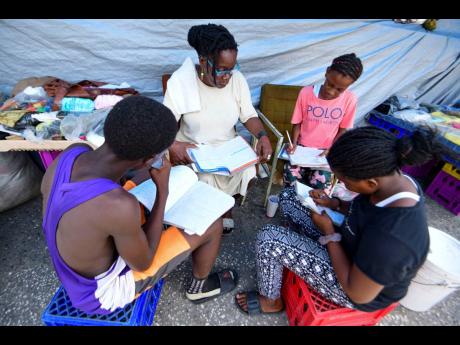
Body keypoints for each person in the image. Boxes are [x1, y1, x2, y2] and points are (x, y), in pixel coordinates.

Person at [41, 96, 238, 315]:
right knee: (212, 223)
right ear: (147, 158)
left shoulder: (73, 153)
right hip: (99, 294)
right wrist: (163, 191)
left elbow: (105, 197)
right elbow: (143, 263)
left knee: (143, 183)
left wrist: (149, 174)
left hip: (73, 267)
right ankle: (200, 288)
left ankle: (137, 226)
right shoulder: (120, 206)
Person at [235, 126, 450, 315]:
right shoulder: (393, 181)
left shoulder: (394, 239)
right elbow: (364, 209)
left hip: (355, 287)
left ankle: (271, 301)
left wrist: (330, 235)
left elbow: (357, 292)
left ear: (370, 182)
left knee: (269, 239)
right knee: (289, 196)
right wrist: (335, 204)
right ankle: (296, 249)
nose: (343, 184)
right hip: (351, 243)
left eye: (345, 181)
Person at [163, 23, 273, 234]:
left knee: (249, 170)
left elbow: (248, 115)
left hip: (227, 148)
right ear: (204, 61)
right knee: (203, 178)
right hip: (195, 148)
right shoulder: (181, 82)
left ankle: (225, 206)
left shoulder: (237, 80)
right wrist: (173, 144)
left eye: (232, 69)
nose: (228, 76)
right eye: (222, 69)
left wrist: (262, 136)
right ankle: (205, 215)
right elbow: (164, 125)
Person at [284, 53, 363, 191]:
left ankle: (310, 211)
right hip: (302, 149)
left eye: (339, 89)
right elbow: (297, 122)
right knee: (291, 180)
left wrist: (331, 149)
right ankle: (291, 207)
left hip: (325, 153)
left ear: (350, 85)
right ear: (327, 73)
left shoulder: (350, 100)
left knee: (319, 186)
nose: (331, 92)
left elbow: (343, 129)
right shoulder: (306, 93)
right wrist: (294, 144)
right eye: (330, 84)